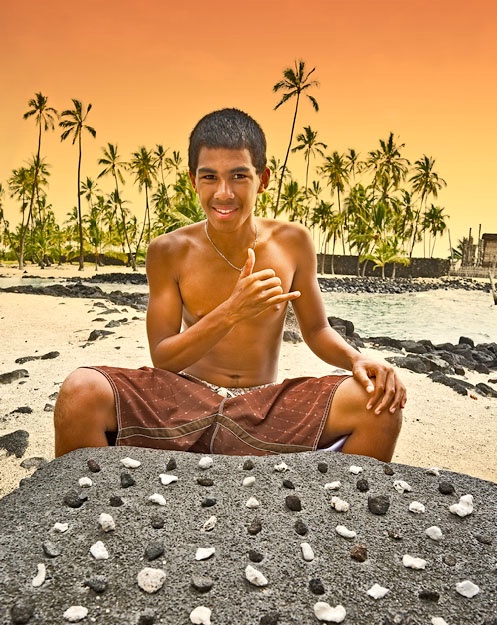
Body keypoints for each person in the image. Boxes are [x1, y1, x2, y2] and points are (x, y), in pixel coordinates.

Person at [54, 108, 406, 460]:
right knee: (80, 391)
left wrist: (357, 359)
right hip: (183, 400)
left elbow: (316, 331)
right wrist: (233, 310)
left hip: (264, 405)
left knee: (378, 403)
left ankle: (342, 512)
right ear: (193, 180)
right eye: (209, 177)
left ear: (263, 178)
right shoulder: (169, 250)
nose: (223, 193)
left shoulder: (293, 242)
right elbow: (163, 359)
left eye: (238, 175)